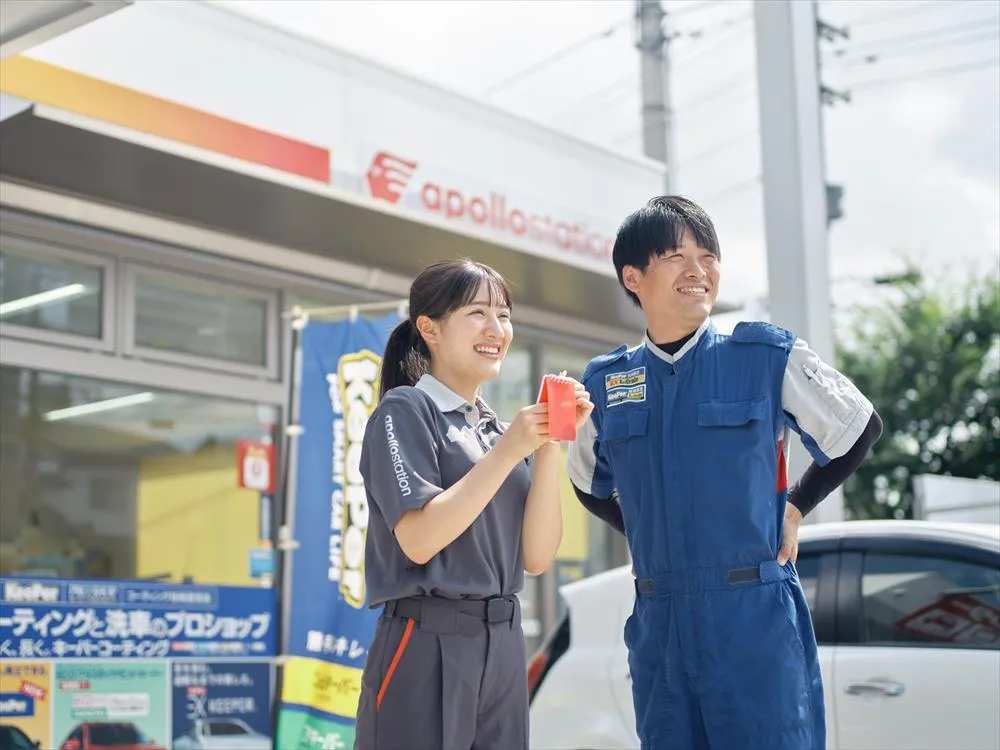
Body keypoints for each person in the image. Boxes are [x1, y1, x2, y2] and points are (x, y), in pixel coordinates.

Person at [567, 196, 883, 750]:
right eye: (675, 255)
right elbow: (587, 484)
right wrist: (646, 529)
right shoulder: (606, 384)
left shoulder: (762, 357)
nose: (698, 269)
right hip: (659, 623)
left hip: (752, 618)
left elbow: (858, 426)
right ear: (633, 276)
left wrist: (796, 505)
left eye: (708, 255)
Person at [354, 258, 593, 750]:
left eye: (503, 315)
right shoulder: (404, 411)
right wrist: (511, 451)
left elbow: (537, 556)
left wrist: (550, 445)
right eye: (477, 313)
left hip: (504, 644)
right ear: (430, 328)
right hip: (425, 642)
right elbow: (419, 540)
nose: (496, 329)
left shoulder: (496, 431)